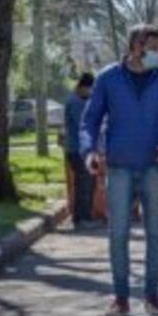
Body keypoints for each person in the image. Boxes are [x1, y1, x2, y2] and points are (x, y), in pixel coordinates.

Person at [81, 25, 158, 316]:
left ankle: (152, 295)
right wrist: (89, 151)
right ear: (135, 47)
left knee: (155, 233)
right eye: (152, 48)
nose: (156, 54)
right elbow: (90, 120)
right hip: (119, 167)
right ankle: (120, 297)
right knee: (118, 233)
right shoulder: (108, 78)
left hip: (155, 166)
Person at [64, 73, 98, 230]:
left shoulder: (81, 100)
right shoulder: (75, 102)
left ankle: (84, 217)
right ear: (83, 87)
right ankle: (82, 218)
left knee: (87, 182)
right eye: (90, 89)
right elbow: (83, 124)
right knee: (85, 183)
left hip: (82, 150)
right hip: (76, 149)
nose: (91, 92)